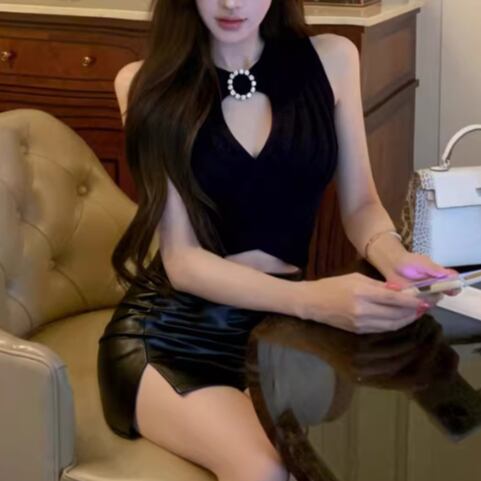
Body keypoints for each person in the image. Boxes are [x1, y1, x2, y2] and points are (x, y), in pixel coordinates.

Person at [97, 1, 459, 480]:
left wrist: (397, 258)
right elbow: (182, 260)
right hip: (172, 337)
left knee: (399, 422)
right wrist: (313, 300)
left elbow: (360, 207)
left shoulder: (333, 59)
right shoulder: (145, 84)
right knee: (267, 468)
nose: (231, 2)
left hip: (276, 332)